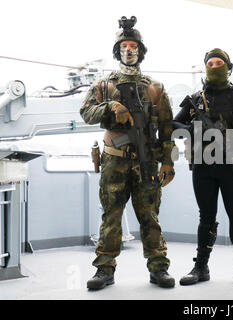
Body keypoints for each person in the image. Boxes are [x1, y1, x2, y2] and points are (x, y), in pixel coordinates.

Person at [80, 16, 176, 290]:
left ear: (140, 51)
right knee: (111, 216)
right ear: (118, 50)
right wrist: (111, 107)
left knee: (150, 216)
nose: (129, 49)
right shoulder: (103, 85)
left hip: (146, 160)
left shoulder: (155, 88)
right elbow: (86, 112)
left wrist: (168, 161)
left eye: (134, 45)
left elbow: (168, 127)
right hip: (114, 160)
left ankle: (158, 268)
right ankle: (104, 269)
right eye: (124, 45)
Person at [173, 48, 233, 286]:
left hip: (232, 166)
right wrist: (193, 129)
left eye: (219, 63)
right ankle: (201, 268)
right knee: (206, 218)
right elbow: (174, 126)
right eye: (210, 63)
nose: (215, 67)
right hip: (204, 167)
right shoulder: (195, 99)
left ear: (228, 66)